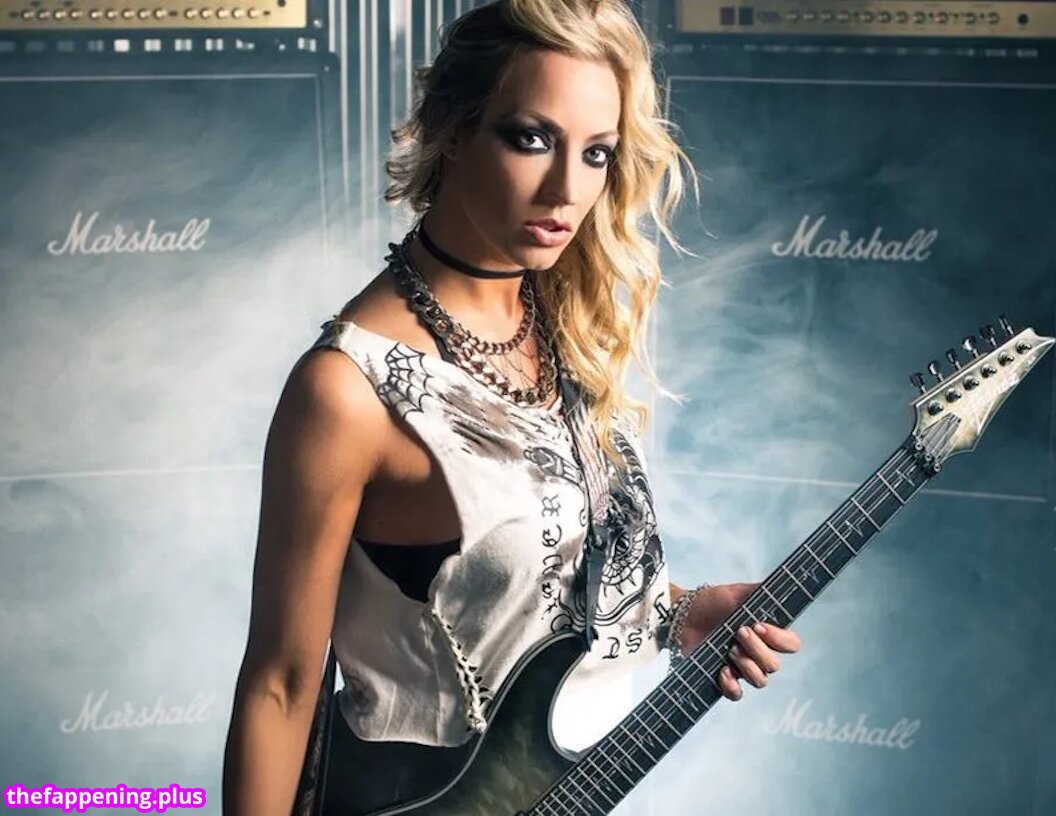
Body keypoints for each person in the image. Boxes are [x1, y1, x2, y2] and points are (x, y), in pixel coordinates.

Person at [222, 1, 801, 813]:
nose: (567, 189)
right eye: (531, 138)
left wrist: (677, 614)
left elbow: (528, 594)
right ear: (454, 128)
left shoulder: (564, 325)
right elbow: (280, 686)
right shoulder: (347, 391)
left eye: (596, 153)